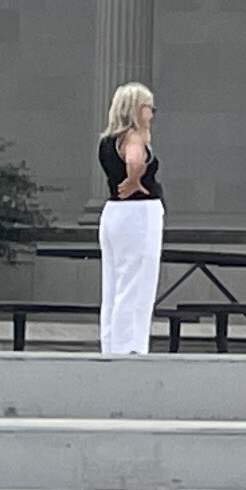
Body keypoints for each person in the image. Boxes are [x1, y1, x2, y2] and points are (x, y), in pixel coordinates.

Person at [94, 84, 163, 357]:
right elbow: (135, 161)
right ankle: (130, 347)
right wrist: (134, 180)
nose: (152, 113)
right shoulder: (134, 136)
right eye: (149, 107)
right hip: (138, 214)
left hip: (114, 213)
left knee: (114, 281)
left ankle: (111, 344)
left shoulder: (107, 140)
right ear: (137, 109)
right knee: (136, 281)